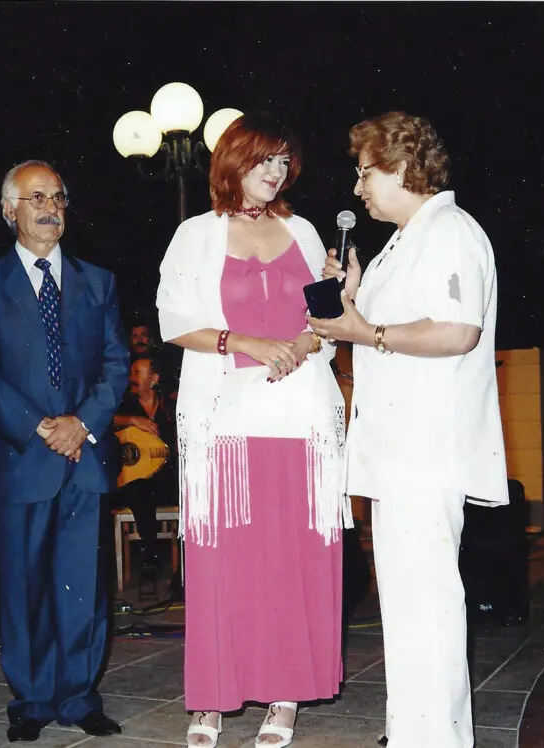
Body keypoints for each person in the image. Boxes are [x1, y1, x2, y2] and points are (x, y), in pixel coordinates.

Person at [308, 111, 508, 748]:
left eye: (365, 172)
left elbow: (456, 331)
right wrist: (357, 303)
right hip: (401, 454)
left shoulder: (448, 231)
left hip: (425, 453)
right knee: (410, 606)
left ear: (399, 165)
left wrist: (364, 330)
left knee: (427, 607)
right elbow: (391, 331)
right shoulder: (410, 237)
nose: (358, 187)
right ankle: (413, 735)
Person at [156, 112, 348, 748]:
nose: (275, 171)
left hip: (300, 417)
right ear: (234, 161)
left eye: (283, 160)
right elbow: (173, 322)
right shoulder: (196, 233)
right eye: (264, 159)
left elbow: (327, 319)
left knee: (292, 559)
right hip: (225, 421)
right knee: (224, 561)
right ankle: (210, 700)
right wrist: (250, 343)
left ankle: (285, 696)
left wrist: (306, 334)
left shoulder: (304, 229)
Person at [0, 160, 129, 743]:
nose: (50, 207)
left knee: (81, 582)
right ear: (10, 210)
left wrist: (81, 424)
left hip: (83, 455)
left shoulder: (98, 281)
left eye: (57, 196)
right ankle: (30, 699)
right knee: (24, 585)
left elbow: (116, 364)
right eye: (36, 197)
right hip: (22, 457)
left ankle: (80, 697)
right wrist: (39, 427)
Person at [111, 355, 179, 592]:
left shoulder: (169, 407)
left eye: (137, 374)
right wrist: (131, 419)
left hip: (166, 477)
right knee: (137, 488)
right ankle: (149, 555)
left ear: (154, 379)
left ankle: (182, 570)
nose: (132, 379)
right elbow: (103, 420)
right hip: (135, 481)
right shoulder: (124, 403)